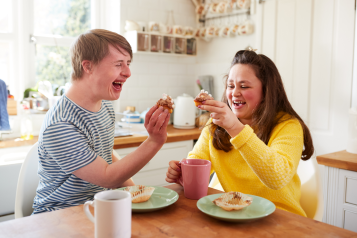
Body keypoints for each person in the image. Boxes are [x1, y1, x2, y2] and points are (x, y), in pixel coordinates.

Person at [33, 29, 170, 214]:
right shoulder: (60, 124)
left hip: (100, 208)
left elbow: (105, 154)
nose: (128, 72)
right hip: (60, 216)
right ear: (88, 67)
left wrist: (135, 193)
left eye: (128, 63)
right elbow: (107, 177)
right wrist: (154, 141)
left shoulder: (104, 105)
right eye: (118, 64)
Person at [165, 49, 314, 217]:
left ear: (267, 91)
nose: (234, 93)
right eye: (230, 85)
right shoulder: (216, 124)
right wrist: (184, 174)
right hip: (232, 213)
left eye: (244, 86)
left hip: (280, 217)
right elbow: (197, 162)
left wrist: (235, 128)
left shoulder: (288, 126)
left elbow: (277, 178)